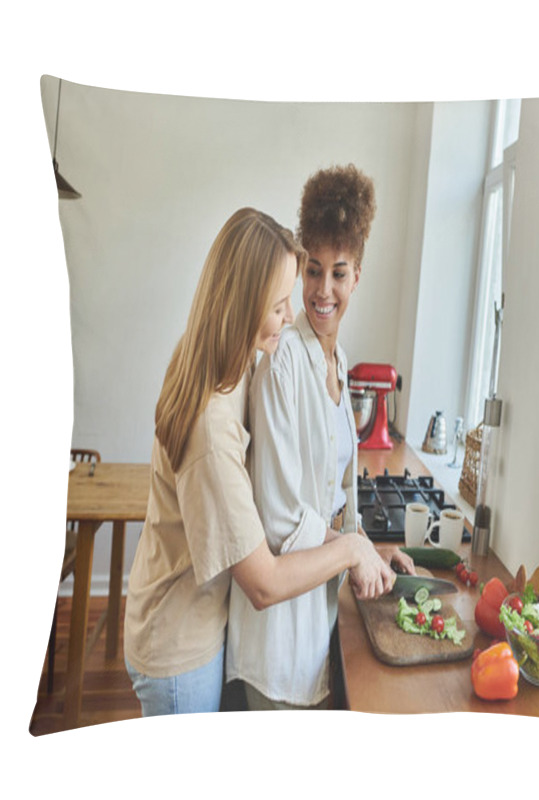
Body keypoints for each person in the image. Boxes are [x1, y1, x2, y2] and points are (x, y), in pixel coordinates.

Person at [123, 207, 393, 717]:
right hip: (180, 646)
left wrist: (362, 549)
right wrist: (352, 549)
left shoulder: (225, 360)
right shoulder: (212, 426)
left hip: (193, 622)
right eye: (277, 305)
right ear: (242, 306)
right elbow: (265, 582)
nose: (291, 316)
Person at [226, 165, 414, 710]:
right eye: (312, 271)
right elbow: (281, 523)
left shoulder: (338, 361)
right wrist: (353, 551)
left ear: (358, 275)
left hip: (318, 619)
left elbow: (329, 498)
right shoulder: (282, 361)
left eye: (338, 272)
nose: (322, 291)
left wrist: (370, 552)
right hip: (276, 642)